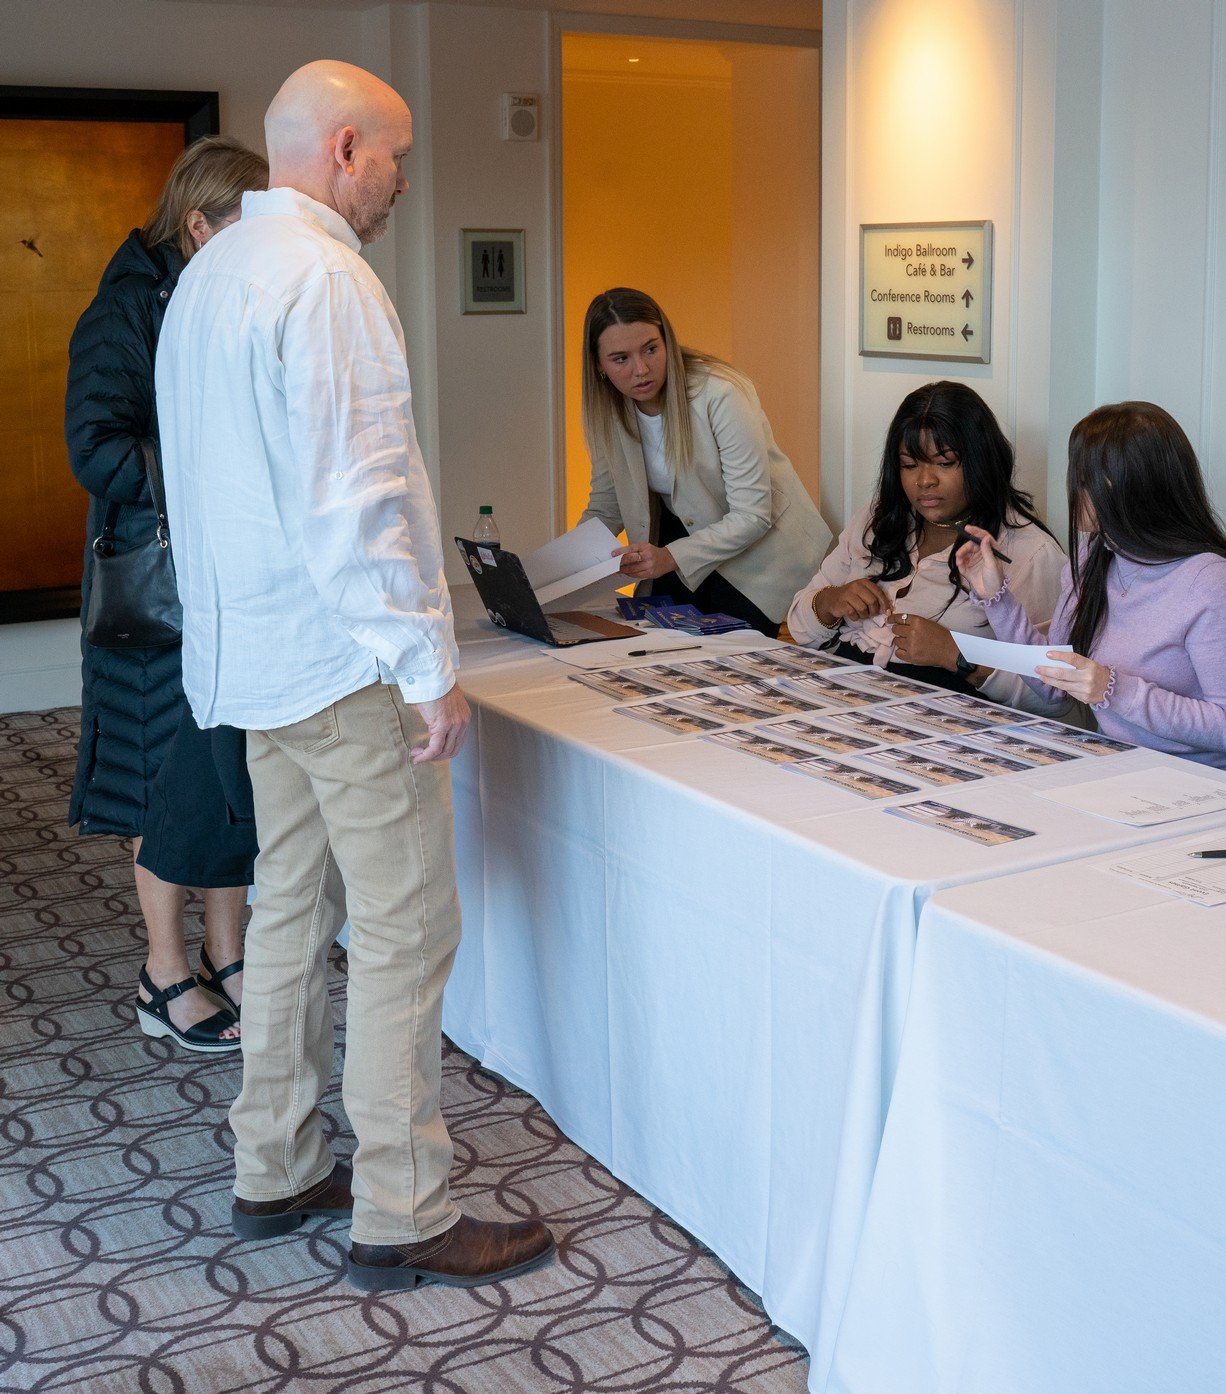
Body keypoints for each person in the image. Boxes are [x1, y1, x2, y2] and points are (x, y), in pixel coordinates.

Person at [156, 60, 555, 1289]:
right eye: (395, 157)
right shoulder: (328, 279)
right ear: (342, 149)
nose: (400, 182)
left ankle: (273, 1161)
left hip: (254, 657)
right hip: (342, 660)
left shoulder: (212, 271)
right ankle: (403, 1203)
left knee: (289, 906)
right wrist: (428, 664)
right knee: (405, 924)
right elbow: (360, 497)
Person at [66, 135, 269, 1054]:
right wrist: (200, 470)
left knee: (223, 775)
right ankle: (162, 971)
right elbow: (94, 450)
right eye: (248, 225)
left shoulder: (212, 291)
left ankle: (226, 954)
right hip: (153, 591)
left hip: (219, 576)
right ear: (198, 225)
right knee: (161, 780)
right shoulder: (123, 309)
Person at [956, 401, 1226, 779]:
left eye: (1082, 478)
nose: (1072, 490)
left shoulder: (1209, 581)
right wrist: (997, 598)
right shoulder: (1094, 555)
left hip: (1208, 783)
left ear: (1122, 484)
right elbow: (1054, 687)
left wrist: (1113, 689)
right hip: (1125, 772)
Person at [787, 381, 1070, 715]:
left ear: (980, 462)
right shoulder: (877, 519)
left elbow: (1056, 700)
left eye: (944, 463)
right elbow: (800, 629)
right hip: (847, 700)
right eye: (909, 465)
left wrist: (956, 655)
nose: (924, 481)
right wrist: (831, 601)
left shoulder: (1029, 552)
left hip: (948, 722)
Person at [577, 288, 831, 634]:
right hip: (679, 545)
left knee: (728, 658)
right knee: (650, 649)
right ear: (598, 365)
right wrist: (555, 572)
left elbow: (753, 515)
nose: (641, 369)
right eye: (620, 359)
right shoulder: (605, 411)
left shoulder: (720, 393)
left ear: (667, 342)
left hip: (760, 557)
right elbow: (605, 508)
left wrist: (670, 557)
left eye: (651, 349)